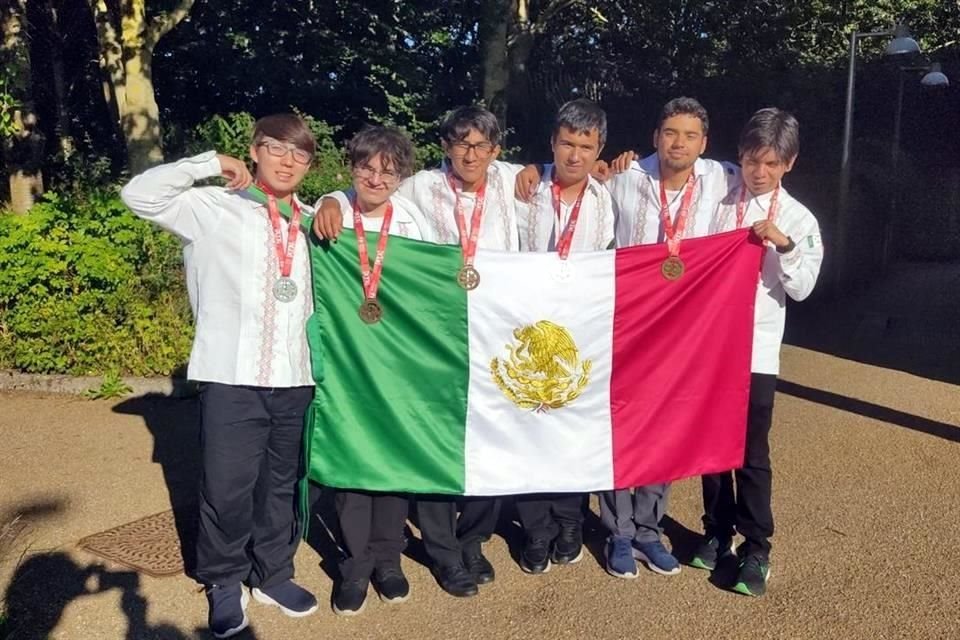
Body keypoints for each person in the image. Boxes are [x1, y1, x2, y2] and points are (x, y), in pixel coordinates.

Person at [121, 114, 319, 639]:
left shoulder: (315, 219)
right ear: (253, 151)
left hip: (296, 377)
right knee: (227, 489)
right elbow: (139, 195)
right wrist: (209, 163)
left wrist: (340, 203)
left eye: (300, 154)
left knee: (279, 486)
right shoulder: (211, 207)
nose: (287, 160)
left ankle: (273, 573)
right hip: (231, 376)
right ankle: (224, 581)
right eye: (276, 148)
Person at [313, 106, 522, 598]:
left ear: (494, 152)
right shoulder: (419, 190)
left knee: (463, 439)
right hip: (399, 343)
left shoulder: (509, 183)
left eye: (481, 146)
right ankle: (403, 557)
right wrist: (327, 198)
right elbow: (359, 191)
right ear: (446, 146)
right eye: (460, 143)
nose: (470, 153)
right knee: (397, 440)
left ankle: (460, 546)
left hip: (476, 329)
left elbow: (550, 174)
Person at [691, 107, 823, 596]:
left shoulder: (799, 218)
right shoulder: (719, 199)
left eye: (770, 163)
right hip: (710, 346)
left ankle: (757, 547)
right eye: (750, 160)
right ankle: (715, 531)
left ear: (788, 163)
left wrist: (784, 246)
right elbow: (674, 161)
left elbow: (805, 287)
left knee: (749, 453)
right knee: (709, 447)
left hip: (756, 351)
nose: (759, 172)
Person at [322, 125, 433, 616]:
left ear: (401, 176)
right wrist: (327, 198)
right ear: (352, 167)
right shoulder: (331, 212)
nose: (375, 177)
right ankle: (356, 565)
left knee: (392, 462)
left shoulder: (412, 222)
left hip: (394, 363)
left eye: (387, 170)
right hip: (347, 361)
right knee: (351, 465)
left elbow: (431, 287)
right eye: (366, 166)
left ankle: (389, 560)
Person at [513, 98, 615, 575]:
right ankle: (536, 529)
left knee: (574, 432)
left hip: (582, 336)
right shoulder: (518, 187)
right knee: (530, 430)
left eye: (586, 146)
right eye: (567, 143)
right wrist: (331, 198)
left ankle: (570, 521)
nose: (575, 155)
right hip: (523, 332)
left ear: (599, 151)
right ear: (552, 142)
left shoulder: (609, 197)